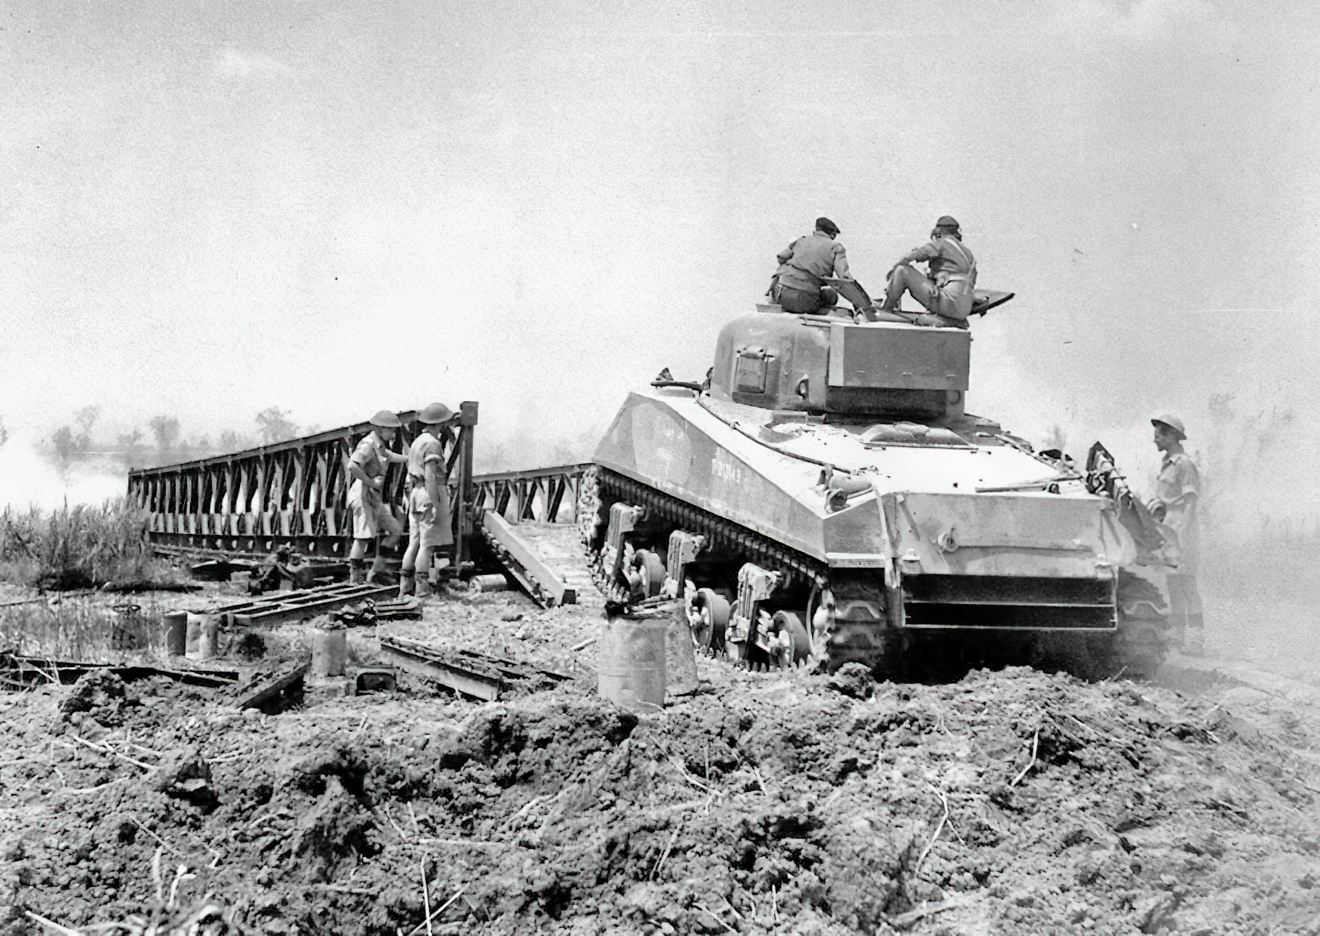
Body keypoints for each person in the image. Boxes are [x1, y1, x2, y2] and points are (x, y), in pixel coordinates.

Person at [1147, 414, 1205, 656]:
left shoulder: (1184, 464)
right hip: (1168, 531)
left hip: (1182, 531)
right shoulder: (1167, 463)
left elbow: (1191, 501)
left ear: (1171, 436)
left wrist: (1183, 533)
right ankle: (1178, 636)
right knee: (1172, 584)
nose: (1155, 440)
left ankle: (1195, 640)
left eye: (1158, 435)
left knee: (1187, 584)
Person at [873, 215, 977, 328]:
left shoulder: (942, 243)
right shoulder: (968, 253)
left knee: (902, 271)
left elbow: (915, 255)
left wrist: (894, 269)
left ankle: (886, 308)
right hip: (962, 308)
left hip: (948, 302)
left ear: (938, 232)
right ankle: (952, 321)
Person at [398, 402, 456, 598]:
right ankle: (422, 591)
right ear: (441, 422)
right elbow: (431, 475)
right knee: (427, 544)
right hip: (428, 493)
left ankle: (404, 589)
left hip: (416, 493)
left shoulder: (417, 441)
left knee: (414, 542)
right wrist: (436, 504)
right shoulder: (433, 443)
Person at [347, 410, 409, 584]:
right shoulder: (367, 444)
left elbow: (389, 456)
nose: (394, 433)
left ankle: (376, 571)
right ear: (381, 429)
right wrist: (371, 482)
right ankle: (355, 579)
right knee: (362, 537)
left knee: (395, 530)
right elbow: (352, 465)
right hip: (363, 494)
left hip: (373, 497)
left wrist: (408, 457)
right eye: (392, 430)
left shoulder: (379, 445)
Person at [769, 217, 851, 314]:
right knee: (831, 296)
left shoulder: (801, 240)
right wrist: (865, 303)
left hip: (781, 295)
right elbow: (845, 279)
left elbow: (781, 257)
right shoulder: (836, 247)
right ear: (832, 234)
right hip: (805, 301)